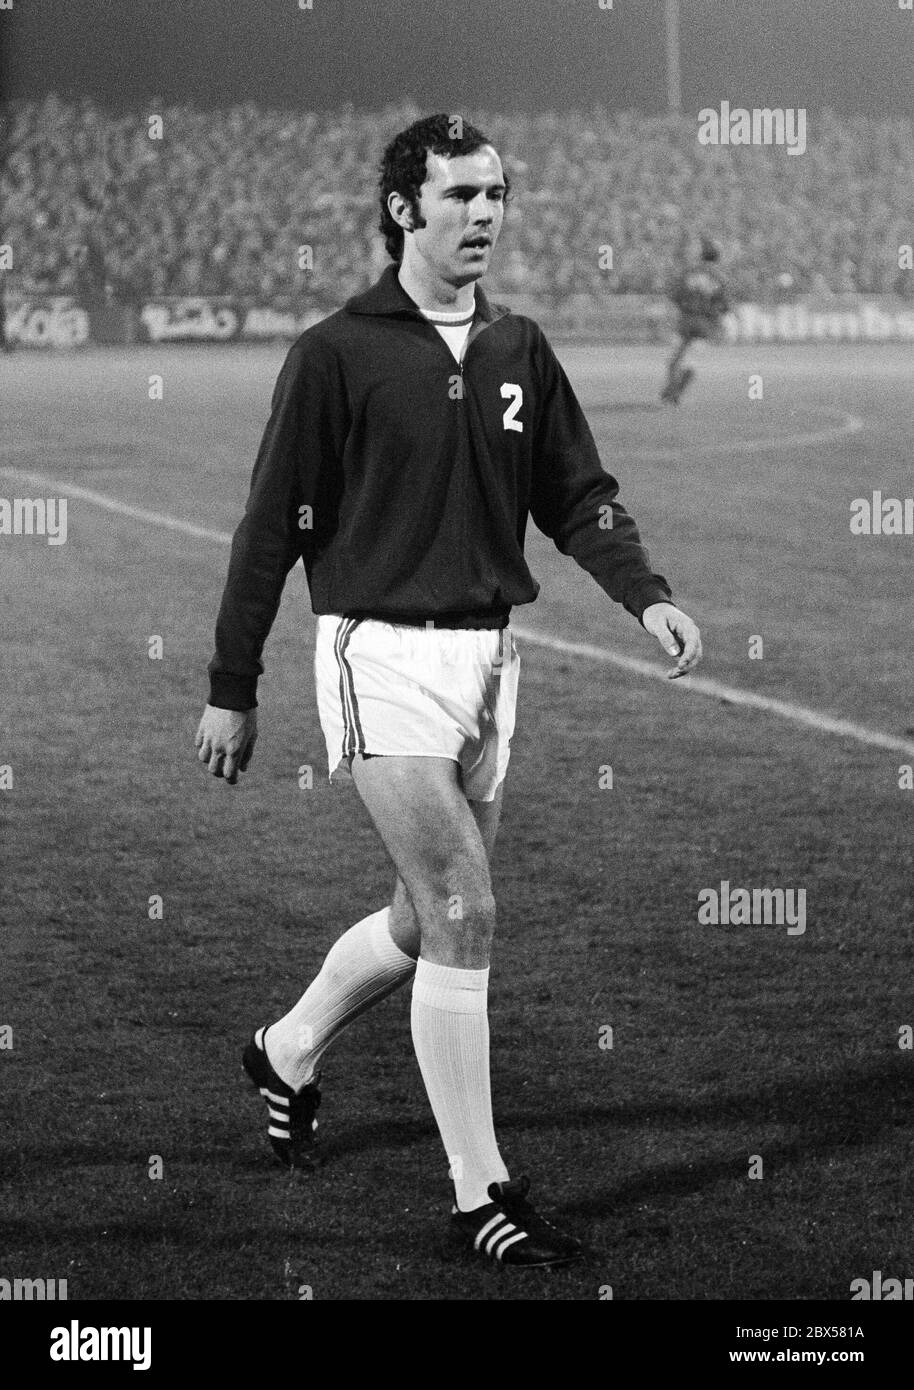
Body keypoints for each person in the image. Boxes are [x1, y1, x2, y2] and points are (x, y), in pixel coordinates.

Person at [196, 113, 702, 1268]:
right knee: (468, 910)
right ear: (402, 210)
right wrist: (233, 684)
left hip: (487, 658)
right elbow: (271, 527)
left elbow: (579, 496)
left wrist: (646, 592)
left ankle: (286, 1046)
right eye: (461, 194)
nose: (484, 213)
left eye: (498, 193)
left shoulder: (520, 346)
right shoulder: (335, 353)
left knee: (424, 922)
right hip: (374, 651)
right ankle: (481, 1192)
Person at [660, 236, 730, 405]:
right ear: (718, 256)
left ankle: (671, 387)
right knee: (692, 360)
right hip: (705, 323)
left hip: (685, 319)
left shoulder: (689, 272)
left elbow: (675, 296)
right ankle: (678, 391)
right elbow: (724, 305)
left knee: (675, 358)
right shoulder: (720, 278)